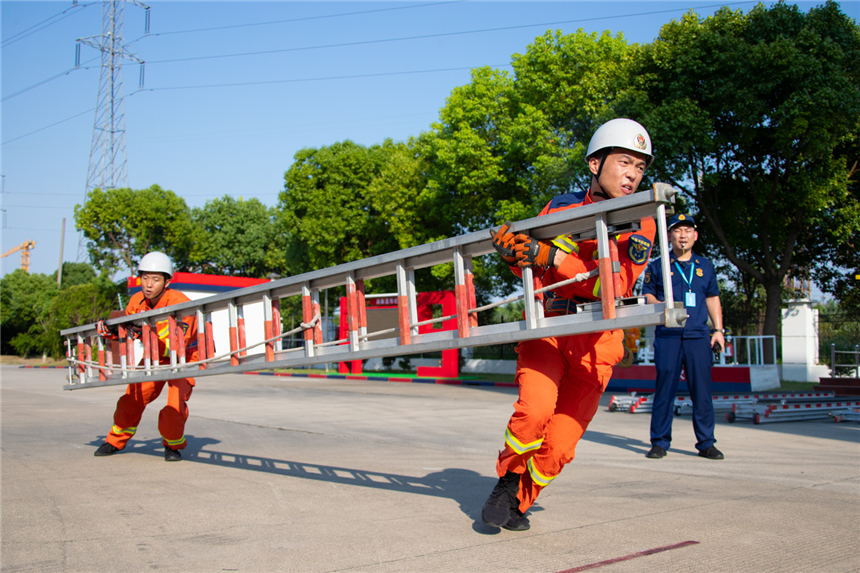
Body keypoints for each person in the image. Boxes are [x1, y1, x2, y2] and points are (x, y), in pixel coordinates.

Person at [482, 118, 657, 531]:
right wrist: (514, 255)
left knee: (560, 445)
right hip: (550, 328)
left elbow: (612, 286)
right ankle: (507, 482)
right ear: (595, 164)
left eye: (641, 167)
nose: (633, 175)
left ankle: (522, 499)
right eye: (625, 162)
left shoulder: (642, 220)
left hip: (598, 344)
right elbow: (533, 269)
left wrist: (553, 257)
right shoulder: (559, 208)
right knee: (534, 410)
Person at [93, 252, 198, 462]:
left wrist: (143, 331)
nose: (149, 284)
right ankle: (115, 440)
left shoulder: (181, 304)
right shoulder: (136, 301)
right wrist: (112, 331)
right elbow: (130, 331)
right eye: (145, 278)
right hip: (154, 356)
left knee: (174, 407)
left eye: (156, 279)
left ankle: (172, 446)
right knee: (131, 399)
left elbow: (176, 345)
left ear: (167, 282)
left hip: (183, 359)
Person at [641, 214, 725, 460]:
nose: (683, 235)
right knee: (665, 389)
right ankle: (659, 442)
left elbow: (712, 297)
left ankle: (706, 442)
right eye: (677, 231)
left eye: (688, 230)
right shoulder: (658, 265)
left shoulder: (705, 266)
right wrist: (665, 306)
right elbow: (647, 296)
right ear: (670, 236)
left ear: (695, 235)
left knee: (702, 390)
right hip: (668, 335)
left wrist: (718, 330)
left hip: (698, 335)